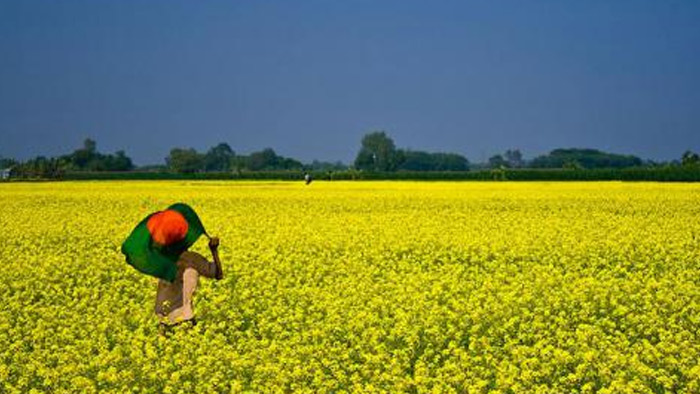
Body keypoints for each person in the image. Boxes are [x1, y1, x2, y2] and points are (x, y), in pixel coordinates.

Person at [155, 236, 223, 334]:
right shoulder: (164, 260)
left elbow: (218, 274)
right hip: (167, 318)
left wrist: (214, 250)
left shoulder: (191, 259)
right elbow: (218, 274)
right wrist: (214, 251)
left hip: (180, 317)